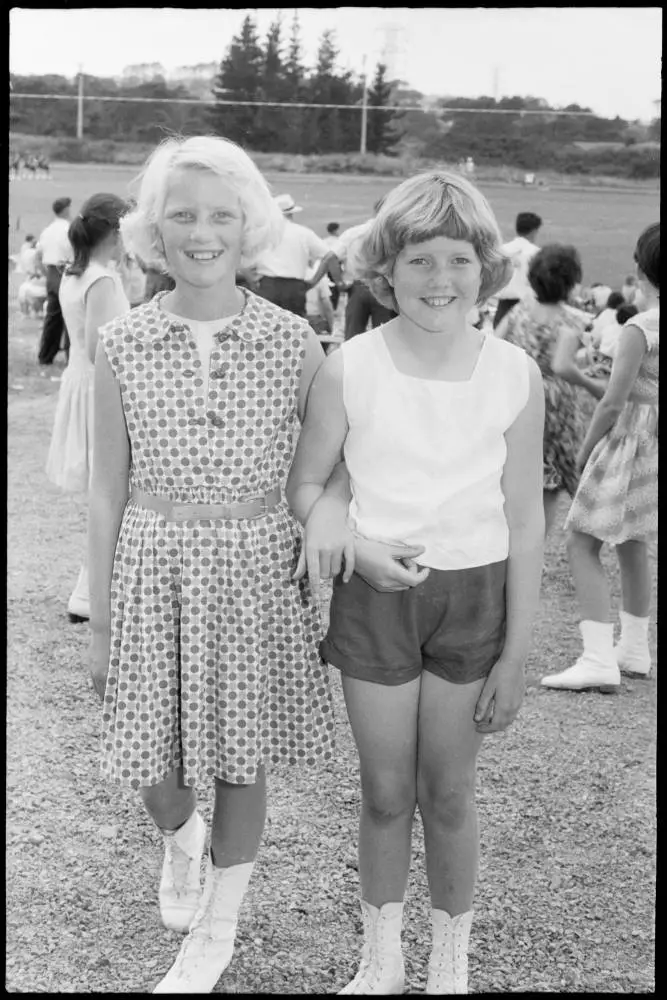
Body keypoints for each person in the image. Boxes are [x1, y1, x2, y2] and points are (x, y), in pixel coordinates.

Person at [87, 135, 345, 995]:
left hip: (253, 572)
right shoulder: (122, 343)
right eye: (184, 214)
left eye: (221, 215)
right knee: (146, 756)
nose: (203, 231)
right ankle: (181, 835)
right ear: (155, 230)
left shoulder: (294, 340)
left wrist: (334, 518)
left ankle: (218, 926)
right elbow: (104, 490)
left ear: (250, 226)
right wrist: (102, 624)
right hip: (153, 565)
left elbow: (329, 462)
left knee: (243, 755)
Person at [286, 170, 545, 995]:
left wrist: (515, 653)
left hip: (476, 598)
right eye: (420, 261)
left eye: (460, 260)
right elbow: (306, 486)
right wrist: (351, 543)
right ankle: (380, 960)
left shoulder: (513, 373)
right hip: (377, 598)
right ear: (384, 269)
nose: (441, 280)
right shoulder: (349, 366)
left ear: (486, 270)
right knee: (387, 792)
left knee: (450, 792)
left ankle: (450, 965)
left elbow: (527, 518)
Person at [541, 223, 659, 691]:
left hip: (629, 439)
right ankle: (633, 649)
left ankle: (597, 657)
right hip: (654, 443)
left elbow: (613, 401)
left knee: (581, 541)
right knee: (633, 544)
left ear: (641, 268)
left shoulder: (639, 328)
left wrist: (586, 451)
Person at [45, 193, 130, 623]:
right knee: (113, 490)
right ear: (116, 232)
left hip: (79, 381)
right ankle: (89, 590)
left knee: (106, 491)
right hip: (99, 389)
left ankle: (93, 586)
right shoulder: (103, 280)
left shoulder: (75, 273)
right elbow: (103, 347)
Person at [496, 244, 609, 536]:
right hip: (556, 408)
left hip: (520, 398)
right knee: (566, 475)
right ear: (570, 282)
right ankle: (593, 531)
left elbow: (495, 342)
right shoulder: (571, 320)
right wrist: (592, 384)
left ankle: (521, 549)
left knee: (529, 476)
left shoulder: (520, 310)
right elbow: (561, 366)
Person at [253, 193, 342, 318]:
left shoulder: (263, 232)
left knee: (265, 326)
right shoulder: (303, 233)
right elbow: (329, 256)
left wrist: (252, 281)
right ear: (292, 213)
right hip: (294, 287)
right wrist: (314, 281)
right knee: (293, 328)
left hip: (268, 284)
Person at [331, 200, 397, 340]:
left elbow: (330, 258)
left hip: (358, 285)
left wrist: (340, 283)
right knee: (385, 337)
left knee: (352, 336)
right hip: (384, 284)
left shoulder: (354, 232)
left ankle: (351, 361)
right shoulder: (394, 234)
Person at [35, 196, 74, 365]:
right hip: (65, 271)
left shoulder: (47, 230)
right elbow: (74, 253)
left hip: (51, 273)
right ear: (66, 210)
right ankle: (70, 356)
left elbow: (38, 255)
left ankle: (46, 355)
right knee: (71, 317)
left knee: (52, 317)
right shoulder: (68, 229)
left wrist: (46, 273)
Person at [493, 211, 542, 329]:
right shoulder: (536, 253)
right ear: (534, 231)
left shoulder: (502, 250)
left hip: (502, 308)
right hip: (525, 306)